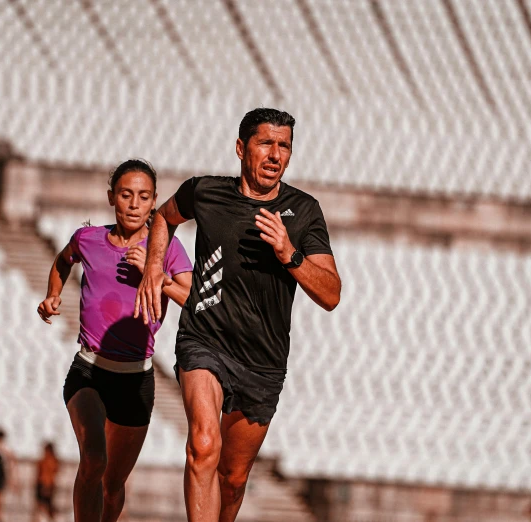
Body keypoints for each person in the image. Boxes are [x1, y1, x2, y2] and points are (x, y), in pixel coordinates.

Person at [135, 108, 342, 521]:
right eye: (266, 143)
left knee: (232, 478)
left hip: (262, 360)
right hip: (204, 341)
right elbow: (164, 217)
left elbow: (331, 293)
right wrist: (154, 267)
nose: (275, 155)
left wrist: (290, 254)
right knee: (203, 444)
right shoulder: (206, 193)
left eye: (284, 146)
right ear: (241, 148)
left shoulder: (303, 211)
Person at [38, 159, 193, 522]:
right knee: (93, 458)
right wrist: (52, 294)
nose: (134, 204)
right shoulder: (88, 239)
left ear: (154, 201)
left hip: (136, 379)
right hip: (89, 371)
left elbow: (192, 299)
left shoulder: (166, 248)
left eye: (143, 196)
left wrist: (154, 273)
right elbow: (63, 261)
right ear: (112, 198)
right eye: (126, 195)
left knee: (112, 484)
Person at [32, 442, 60, 522]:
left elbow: (50, 474)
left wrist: (46, 487)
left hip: (46, 485)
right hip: (43, 484)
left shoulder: (50, 461)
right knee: (40, 506)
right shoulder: (45, 460)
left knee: (46, 507)